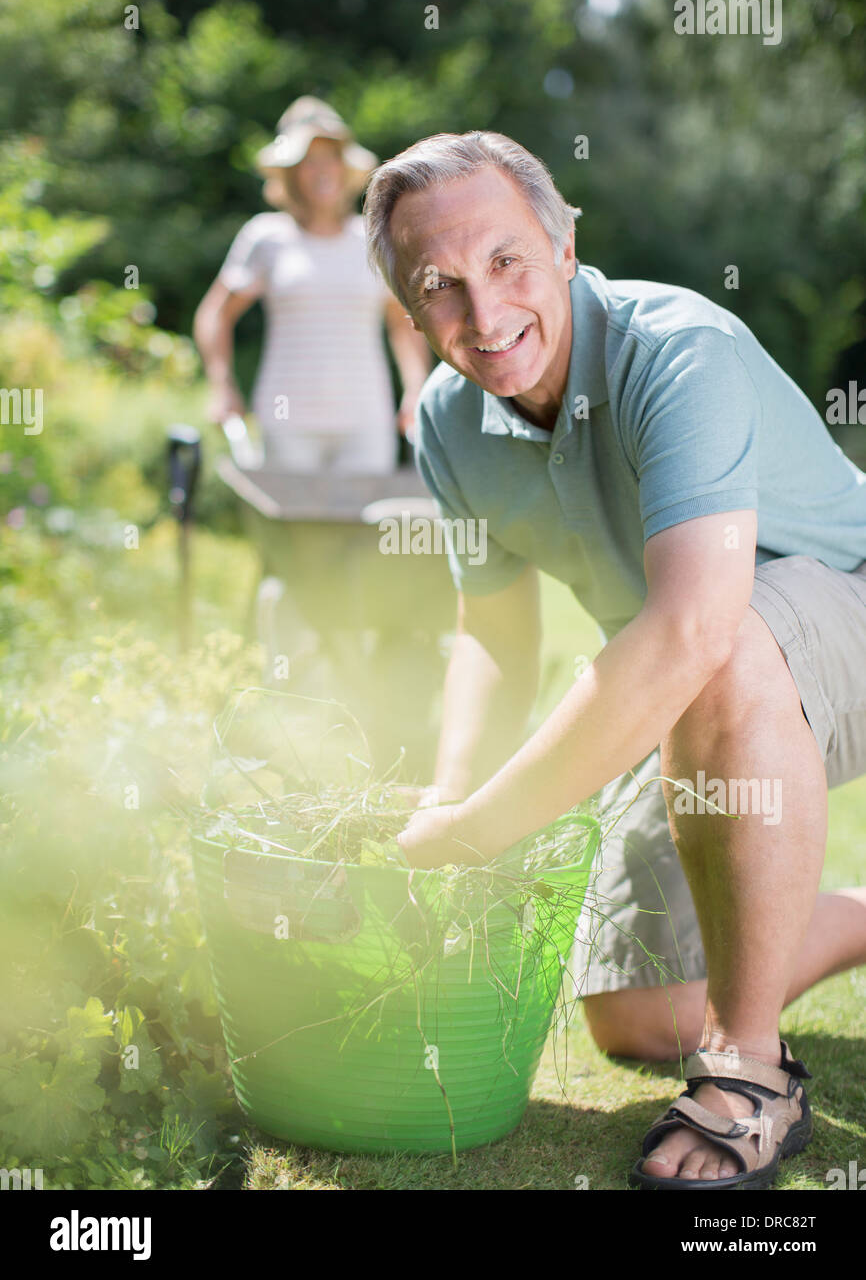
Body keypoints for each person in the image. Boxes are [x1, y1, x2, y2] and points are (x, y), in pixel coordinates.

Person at [363, 129, 866, 1190]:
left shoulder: (677, 348)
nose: (483, 312)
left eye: (505, 262)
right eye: (438, 285)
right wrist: (454, 797)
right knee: (640, 1016)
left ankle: (750, 1075)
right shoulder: (449, 427)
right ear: (407, 311)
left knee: (713, 641)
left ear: (562, 242)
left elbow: (688, 626)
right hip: (707, 689)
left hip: (840, 615)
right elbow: (492, 639)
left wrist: (479, 831)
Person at [194, 96, 430, 471]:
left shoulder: (372, 239)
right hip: (287, 422)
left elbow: (403, 324)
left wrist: (416, 390)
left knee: (361, 528)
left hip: (365, 421)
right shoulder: (266, 237)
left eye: (330, 158)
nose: (321, 171)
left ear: (344, 166)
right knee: (297, 526)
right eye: (308, 161)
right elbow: (215, 315)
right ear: (289, 173)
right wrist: (222, 385)